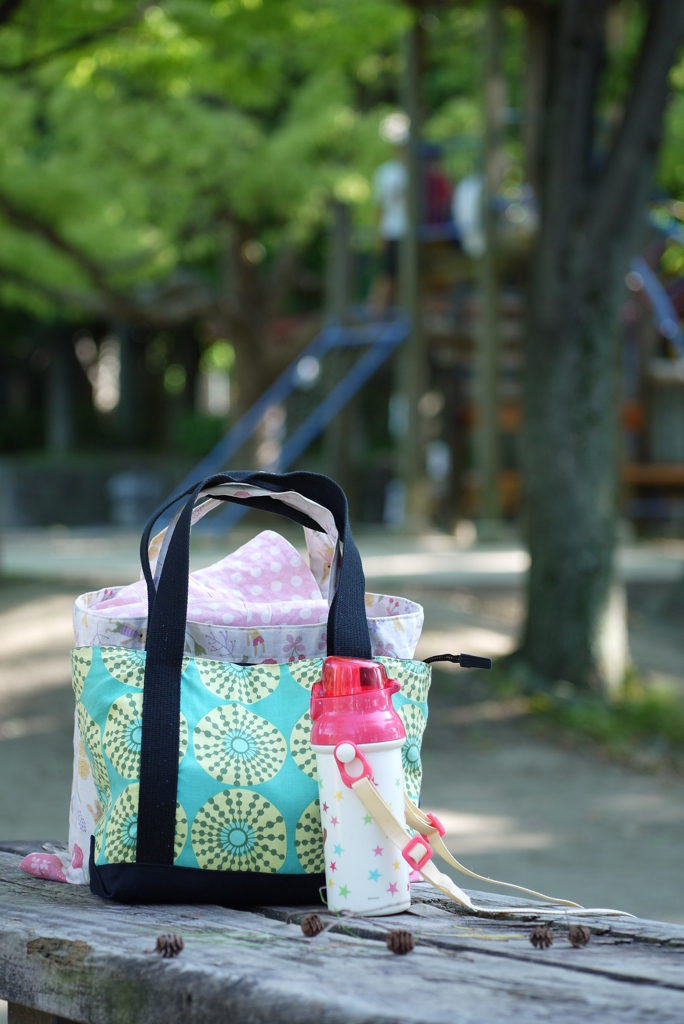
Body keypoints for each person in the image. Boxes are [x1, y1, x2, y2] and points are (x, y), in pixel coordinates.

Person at [371, 142, 408, 312]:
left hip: (408, 232)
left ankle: (395, 313)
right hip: (391, 231)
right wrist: (379, 235)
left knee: (404, 277)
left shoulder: (414, 170)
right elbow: (379, 206)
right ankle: (376, 314)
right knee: (387, 276)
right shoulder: (385, 172)